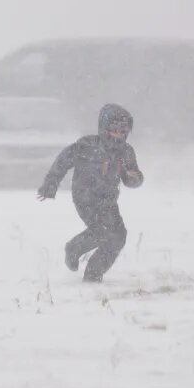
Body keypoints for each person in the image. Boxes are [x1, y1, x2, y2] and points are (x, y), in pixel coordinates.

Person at [37, 104, 144, 283]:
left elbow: (130, 177)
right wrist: (50, 185)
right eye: (114, 130)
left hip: (109, 200)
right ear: (104, 128)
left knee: (118, 236)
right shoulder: (86, 145)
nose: (118, 134)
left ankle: (94, 274)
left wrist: (135, 178)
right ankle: (73, 248)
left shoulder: (126, 152)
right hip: (85, 197)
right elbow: (62, 162)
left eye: (123, 131)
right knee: (102, 231)